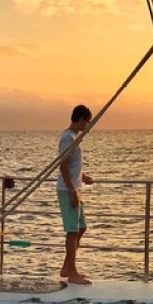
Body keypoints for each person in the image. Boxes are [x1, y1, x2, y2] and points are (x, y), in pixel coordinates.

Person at [56, 104, 95, 286]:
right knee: (72, 231)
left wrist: (82, 176)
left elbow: (72, 165)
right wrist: (72, 190)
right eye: (86, 122)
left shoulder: (75, 138)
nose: (87, 126)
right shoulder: (67, 138)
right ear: (80, 119)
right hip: (68, 190)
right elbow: (63, 165)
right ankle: (72, 273)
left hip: (76, 187)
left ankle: (67, 266)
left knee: (81, 228)